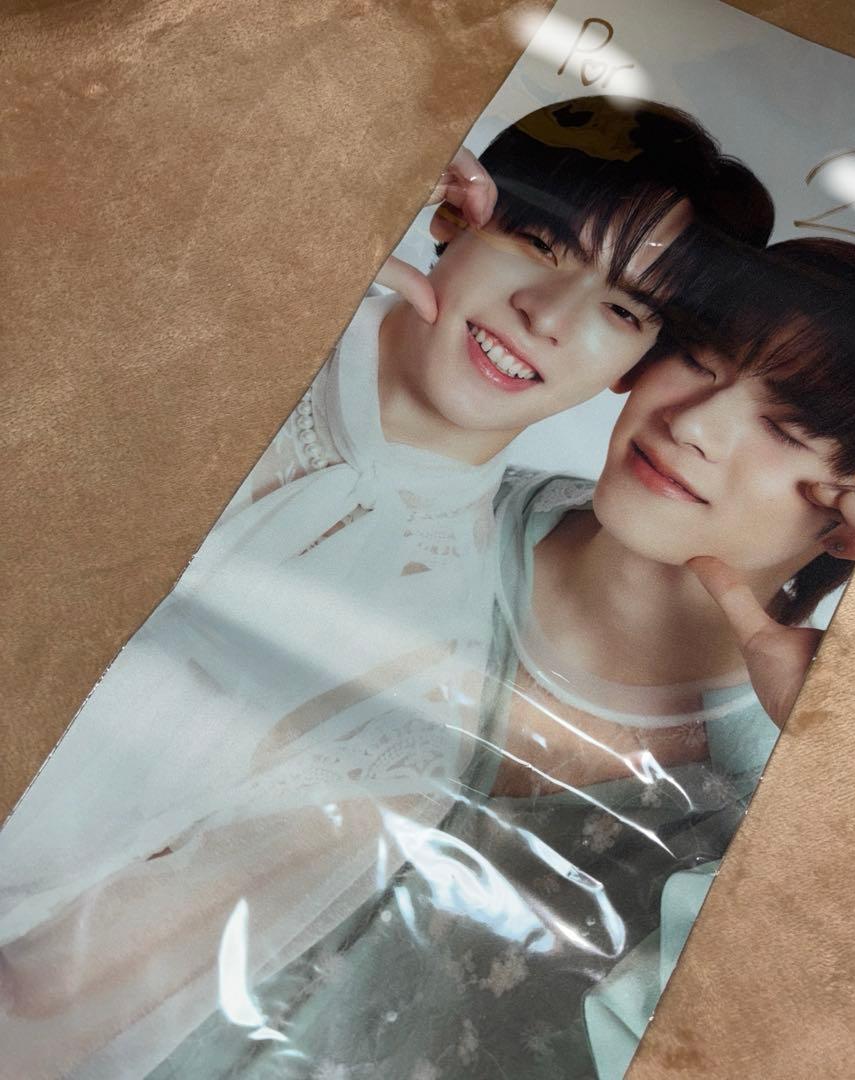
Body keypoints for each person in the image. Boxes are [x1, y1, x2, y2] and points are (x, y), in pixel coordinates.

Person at [0, 97, 773, 1079]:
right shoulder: (189, 320)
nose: (547, 316)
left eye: (623, 310)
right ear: (453, 211)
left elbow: (62, 1008)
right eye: (538, 243)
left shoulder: (427, 684)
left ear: (636, 368)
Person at [137, 238, 855, 1080]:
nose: (693, 425)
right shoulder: (410, 501)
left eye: (784, 431)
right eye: (699, 362)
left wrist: (839, 787)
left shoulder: (779, 800)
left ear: (852, 525)